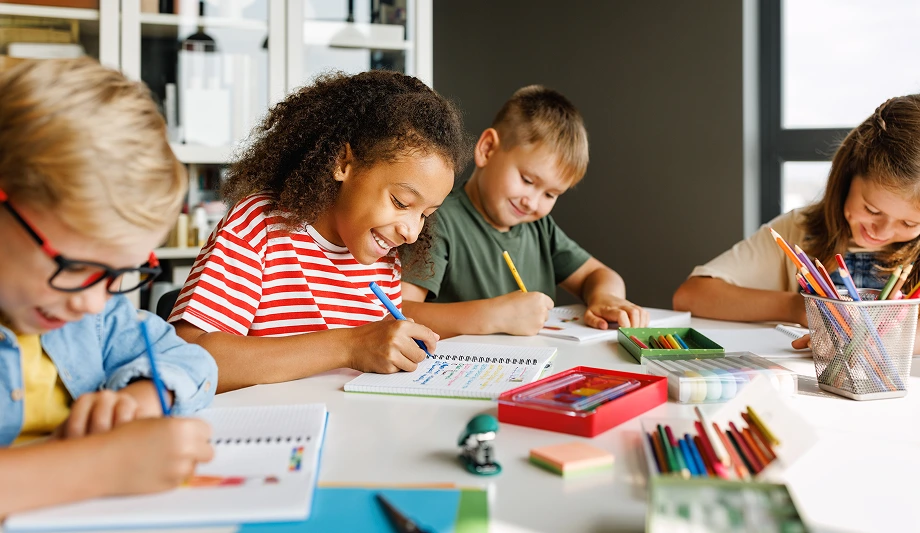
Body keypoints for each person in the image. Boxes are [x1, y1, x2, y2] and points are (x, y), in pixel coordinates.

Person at [0, 58, 216, 516]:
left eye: (117, 275)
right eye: (76, 266)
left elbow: (188, 358)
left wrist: (138, 400)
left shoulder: (91, 315)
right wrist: (98, 466)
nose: (94, 301)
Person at [169, 70, 468, 392]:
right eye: (400, 201)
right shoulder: (261, 226)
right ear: (343, 163)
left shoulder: (383, 256)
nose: (411, 232)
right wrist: (350, 346)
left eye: (425, 214)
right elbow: (188, 361)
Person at [673, 94, 920, 351]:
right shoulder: (799, 229)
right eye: (871, 209)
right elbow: (691, 296)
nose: (882, 231)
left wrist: (889, 343)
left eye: (909, 224)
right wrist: (800, 308)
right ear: (848, 176)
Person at [400, 85, 648, 338]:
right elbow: (401, 314)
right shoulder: (437, 221)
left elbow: (600, 274)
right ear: (487, 149)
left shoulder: (539, 228)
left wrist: (605, 297)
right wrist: (495, 317)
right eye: (528, 181)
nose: (532, 202)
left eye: (550, 195)